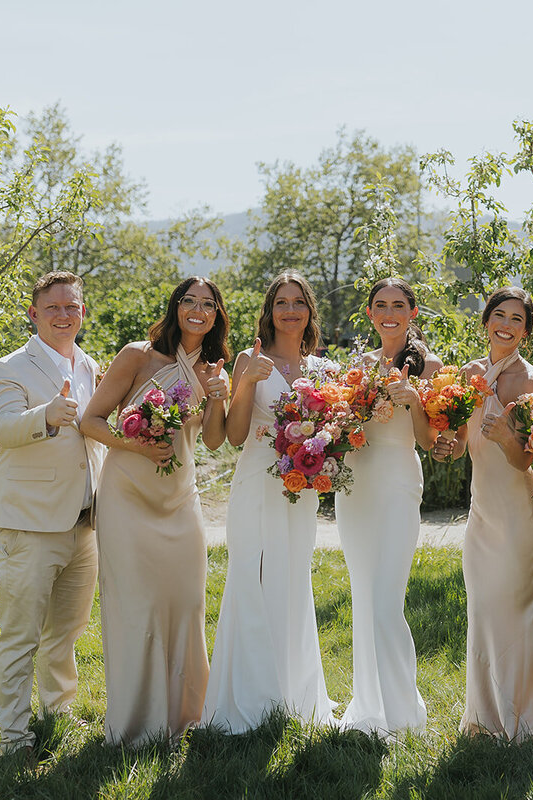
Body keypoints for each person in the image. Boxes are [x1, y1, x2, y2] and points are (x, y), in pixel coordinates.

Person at [80, 276, 230, 746]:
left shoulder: (211, 368)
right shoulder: (137, 356)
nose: (198, 310)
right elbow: (90, 420)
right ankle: (134, 723)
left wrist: (219, 395)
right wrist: (138, 447)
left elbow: (212, 440)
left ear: (217, 316)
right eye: (189, 301)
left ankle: (187, 716)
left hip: (180, 498)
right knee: (136, 608)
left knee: (185, 603)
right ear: (176, 307)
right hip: (127, 495)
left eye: (208, 304)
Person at [202, 272, 337, 733]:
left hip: (299, 488)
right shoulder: (249, 358)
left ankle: (291, 695)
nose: (290, 310)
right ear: (270, 310)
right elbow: (234, 436)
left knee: (290, 579)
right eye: (282, 302)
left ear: (309, 311)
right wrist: (247, 383)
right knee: (250, 576)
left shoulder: (323, 370)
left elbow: (331, 437)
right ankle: (247, 699)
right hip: (256, 478)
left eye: (299, 302)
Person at [0, 270, 106, 755]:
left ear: (82, 312)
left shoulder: (91, 366)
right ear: (33, 314)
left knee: (66, 634)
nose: (62, 315)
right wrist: (45, 417)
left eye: (71, 306)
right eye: (52, 307)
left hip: (83, 524)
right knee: (20, 636)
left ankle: (60, 712)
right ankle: (14, 737)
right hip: (28, 525)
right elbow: (5, 429)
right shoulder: (9, 367)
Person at [433, 286, 533, 740]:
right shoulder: (469, 373)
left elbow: (527, 460)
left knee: (517, 615)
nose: (505, 325)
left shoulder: (527, 380)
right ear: (486, 320)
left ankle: (527, 721)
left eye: (516, 319)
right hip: (481, 511)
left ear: (526, 332)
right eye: (499, 315)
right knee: (485, 613)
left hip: (518, 514)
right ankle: (486, 719)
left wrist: (506, 438)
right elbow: (453, 445)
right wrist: (445, 445)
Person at [335, 276, 441, 736]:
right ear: (370, 314)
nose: (390, 312)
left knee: (387, 599)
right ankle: (370, 706)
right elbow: (346, 428)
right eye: (381, 305)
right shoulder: (359, 364)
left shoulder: (429, 364)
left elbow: (428, 440)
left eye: (399, 305)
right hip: (355, 484)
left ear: (412, 313)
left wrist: (413, 399)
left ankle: (403, 714)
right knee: (364, 596)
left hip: (398, 480)